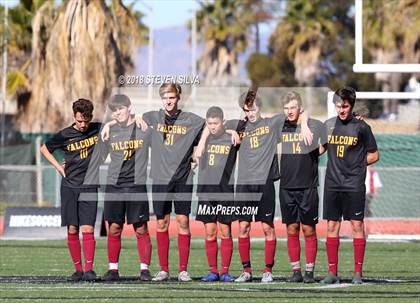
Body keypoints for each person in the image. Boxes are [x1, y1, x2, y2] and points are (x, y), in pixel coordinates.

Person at [222, 90, 312, 283]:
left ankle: (267, 270)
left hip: (265, 184)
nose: (250, 113)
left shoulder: (272, 122)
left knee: (267, 227)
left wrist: (304, 125)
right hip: (245, 184)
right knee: (243, 226)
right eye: (247, 110)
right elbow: (213, 126)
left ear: (259, 107)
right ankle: (246, 271)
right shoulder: (238, 126)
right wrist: (229, 131)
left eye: (253, 109)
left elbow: (300, 111)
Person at [141, 83, 205, 282]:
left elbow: (212, 126)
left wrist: (201, 144)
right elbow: (134, 118)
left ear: (178, 98)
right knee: (161, 223)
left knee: (183, 222)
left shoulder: (191, 120)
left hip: (183, 178)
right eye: (165, 98)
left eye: (172, 98)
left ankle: (183, 270)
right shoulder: (153, 117)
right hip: (160, 179)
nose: (169, 101)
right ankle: (163, 269)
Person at [321, 86, 380, 285]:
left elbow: (374, 154)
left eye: (345, 106)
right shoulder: (328, 125)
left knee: (357, 225)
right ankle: (332, 273)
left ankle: (357, 273)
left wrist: (357, 165)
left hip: (354, 184)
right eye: (338, 106)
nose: (341, 110)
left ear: (351, 105)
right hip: (332, 183)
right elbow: (318, 149)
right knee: (331, 226)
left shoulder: (362, 127)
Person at [40, 98, 101, 281]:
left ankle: (89, 270)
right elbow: (44, 148)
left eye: (86, 120)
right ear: (74, 116)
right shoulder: (65, 134)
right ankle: (78, 270)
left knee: (88, 229)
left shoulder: (98, 128)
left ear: (91, 116)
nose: (83, 124)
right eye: (79, 120)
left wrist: (137, 118)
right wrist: (59, 167)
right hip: (69, 187)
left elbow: (118, 123)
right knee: (73, 229)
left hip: (89, 186)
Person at [100, 94, 152, 281]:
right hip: (114, 186)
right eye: (114, 110)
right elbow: (98, 157)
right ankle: (113, 270)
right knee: (114, 228)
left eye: (120, 108)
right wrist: (108, 125)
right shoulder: (109, 132)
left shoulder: (143, 128)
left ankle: (144, 270)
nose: (117, 113)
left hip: (136, 186)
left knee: (141, 229)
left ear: (129, 107)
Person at [279, 91, 326, 283]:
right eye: (286, 108)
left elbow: (323, 148)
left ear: (300, 108)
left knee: (309, 229)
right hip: (286, 186)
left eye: (293, 107)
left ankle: (309, 272)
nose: (289, 111)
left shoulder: (315, 125)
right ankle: (296, 272)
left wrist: (305, 123)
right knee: (291, 229)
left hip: (307, 187)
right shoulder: (280, 126)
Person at [195, 106, 238, 282]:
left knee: (225, 231)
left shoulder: (232, 138)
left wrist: (231, 131)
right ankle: (213, 271)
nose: (213, 126)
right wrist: (204, 138)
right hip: (206, 192)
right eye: (210, 123)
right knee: (210, 232)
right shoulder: (202, 138)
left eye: (216, 123)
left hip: (225, 192)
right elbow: (198, 147)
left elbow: (247, 124)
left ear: (223, 122)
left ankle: (225, 271)